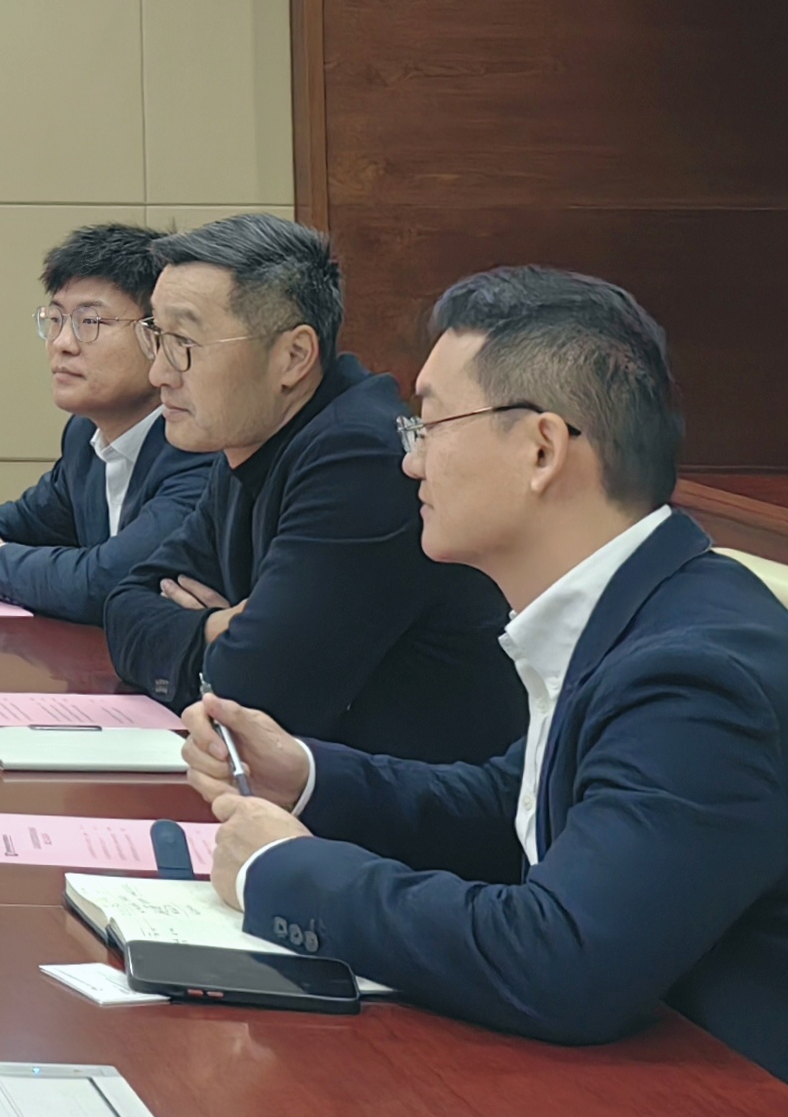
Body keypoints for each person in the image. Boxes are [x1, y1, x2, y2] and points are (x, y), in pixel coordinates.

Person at [188, 268, 788, 1117]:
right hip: (652, 1115)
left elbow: (564, 961)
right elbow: (512, 808)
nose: (410, 463)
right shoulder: (637, 609)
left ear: (543, 449)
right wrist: (310, 777)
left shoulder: (697, 673)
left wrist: (289, 873)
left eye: (429, 426)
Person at [103, 214, 520, 761]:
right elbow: (125, 605)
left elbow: (252, 695)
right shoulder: (250, 438)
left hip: (414, 802)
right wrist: (215, 628)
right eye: (155, 337)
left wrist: (214, 642)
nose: (158, 372)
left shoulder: (359, 460)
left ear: (294, 357)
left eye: (183, 342)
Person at [0, 221, 213, 621]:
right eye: (56, 319)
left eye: (90, 322)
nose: (62, 343)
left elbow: (108, 579)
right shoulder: (85, 432)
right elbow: (34, 520)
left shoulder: (197, 445)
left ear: (158, 333)